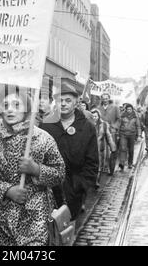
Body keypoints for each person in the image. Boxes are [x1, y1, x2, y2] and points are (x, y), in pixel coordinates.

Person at [0, 88, 65, 246]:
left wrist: (37, 169)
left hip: (35, 219)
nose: (10, 109)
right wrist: (7, 190)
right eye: (6, 104)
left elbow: (59, 173)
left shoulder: (43, 139)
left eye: (16, 104)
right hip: (1, 222)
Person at [41, 84, 98, 219]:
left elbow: (93, 161)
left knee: (67, 230)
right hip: (48, 189)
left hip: (74, 190)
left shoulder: (87, 127)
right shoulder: (46, 125)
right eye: (61, 100)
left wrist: (81, 186)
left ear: (76, 103)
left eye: (68, 101)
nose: (64, 104)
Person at [97, 93, 121, 175]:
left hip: (111, 131)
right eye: (103, 98)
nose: (105, 100)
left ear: (109, 99)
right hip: (101, 130)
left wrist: (114, 127)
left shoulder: (115, 107)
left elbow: (119, 119)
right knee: (102, 149)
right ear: (101, 99)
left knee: (112, 150)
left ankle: (111, 169)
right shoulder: (98, 108)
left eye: (106, 98)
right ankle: (103, 167)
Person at [91, 109, 116, 188]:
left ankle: (96, 181)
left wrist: (112, 147)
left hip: (100, 148)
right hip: (90, 149)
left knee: (99, 165)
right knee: (91, 165)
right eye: (93, 116)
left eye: (96, 116)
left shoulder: (104, 125)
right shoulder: (88, 124)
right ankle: (92, 180)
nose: (94, 118)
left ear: (98, 116)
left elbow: (108, 136)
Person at [119, 104, 141, 170]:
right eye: (127, 109)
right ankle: (122, 163)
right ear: (126, 109)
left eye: (130, 109)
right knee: (123, 148)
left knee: (131, 150)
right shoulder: (122, 115)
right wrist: (118, 133)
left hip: (132, 134)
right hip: (123, 134)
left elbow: (138, 126)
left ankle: (130, 163)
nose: (129, 111)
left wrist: (139, 135)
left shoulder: (135, 116)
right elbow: (119, 124)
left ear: (132, 109)